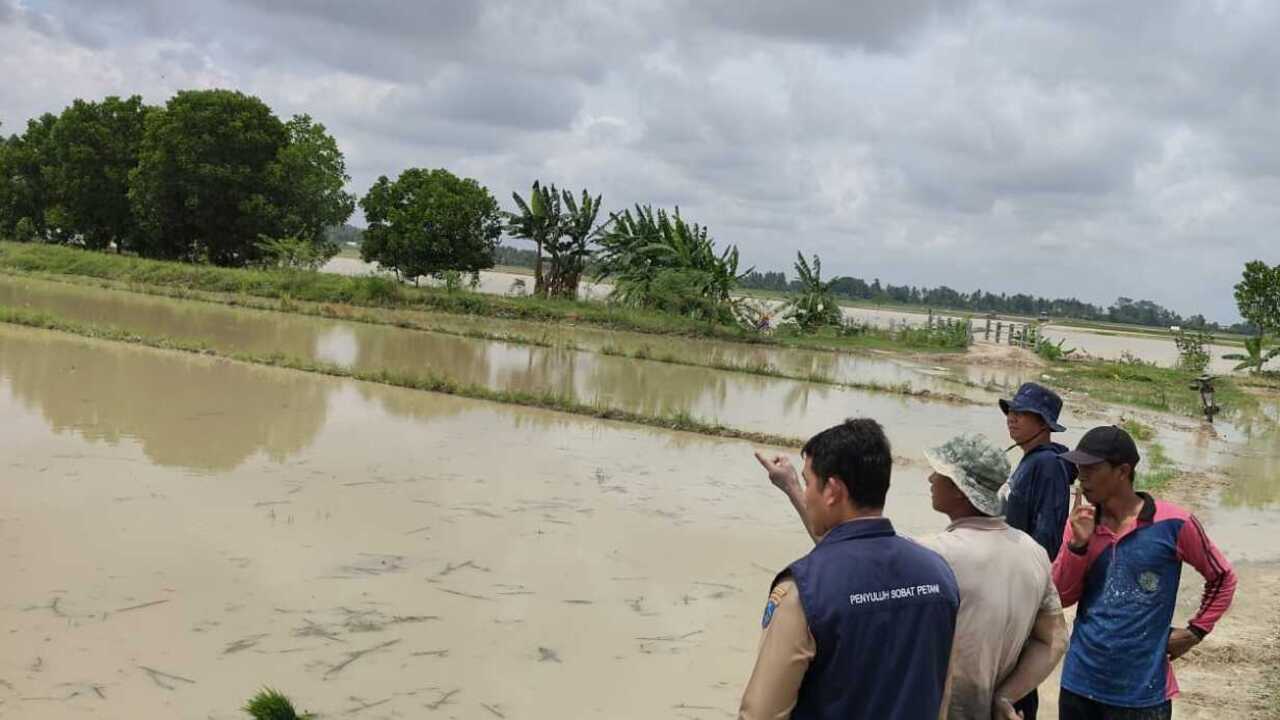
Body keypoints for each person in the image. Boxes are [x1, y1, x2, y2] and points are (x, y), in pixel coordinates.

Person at [742, 418, 959, 720]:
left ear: (832, 490)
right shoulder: (939, 576)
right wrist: (791, 485)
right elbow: (941, 693)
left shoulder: (803, 591)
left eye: (807, 483)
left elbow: (762, 713)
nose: (805, 494)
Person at [1053, 425, 1238, 719]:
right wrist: (1077, 545)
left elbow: (1223, 578)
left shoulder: (1174, 524)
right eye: (1079, 467)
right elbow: (1060, 597)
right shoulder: (1081, 524)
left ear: (1122, 471)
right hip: (1079, 683)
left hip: (1142, 694)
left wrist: (1195, 631)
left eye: (1091, 467)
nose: (1082, 475)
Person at [917, 434, 1068, 720]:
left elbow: (853, 559)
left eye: (939, 472)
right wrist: (1005, 695)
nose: (930, 479)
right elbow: (1055, 639)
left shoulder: (935, 553)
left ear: (961, 489)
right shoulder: (1032, 551)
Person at [1000, 382, 1077, 562]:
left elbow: (1047, 531)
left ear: (1043, 423)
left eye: (1020, 413)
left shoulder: (1048, 463)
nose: (1011, 418)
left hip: (1026, 570)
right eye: (1010, 411)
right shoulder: (1031, 459)